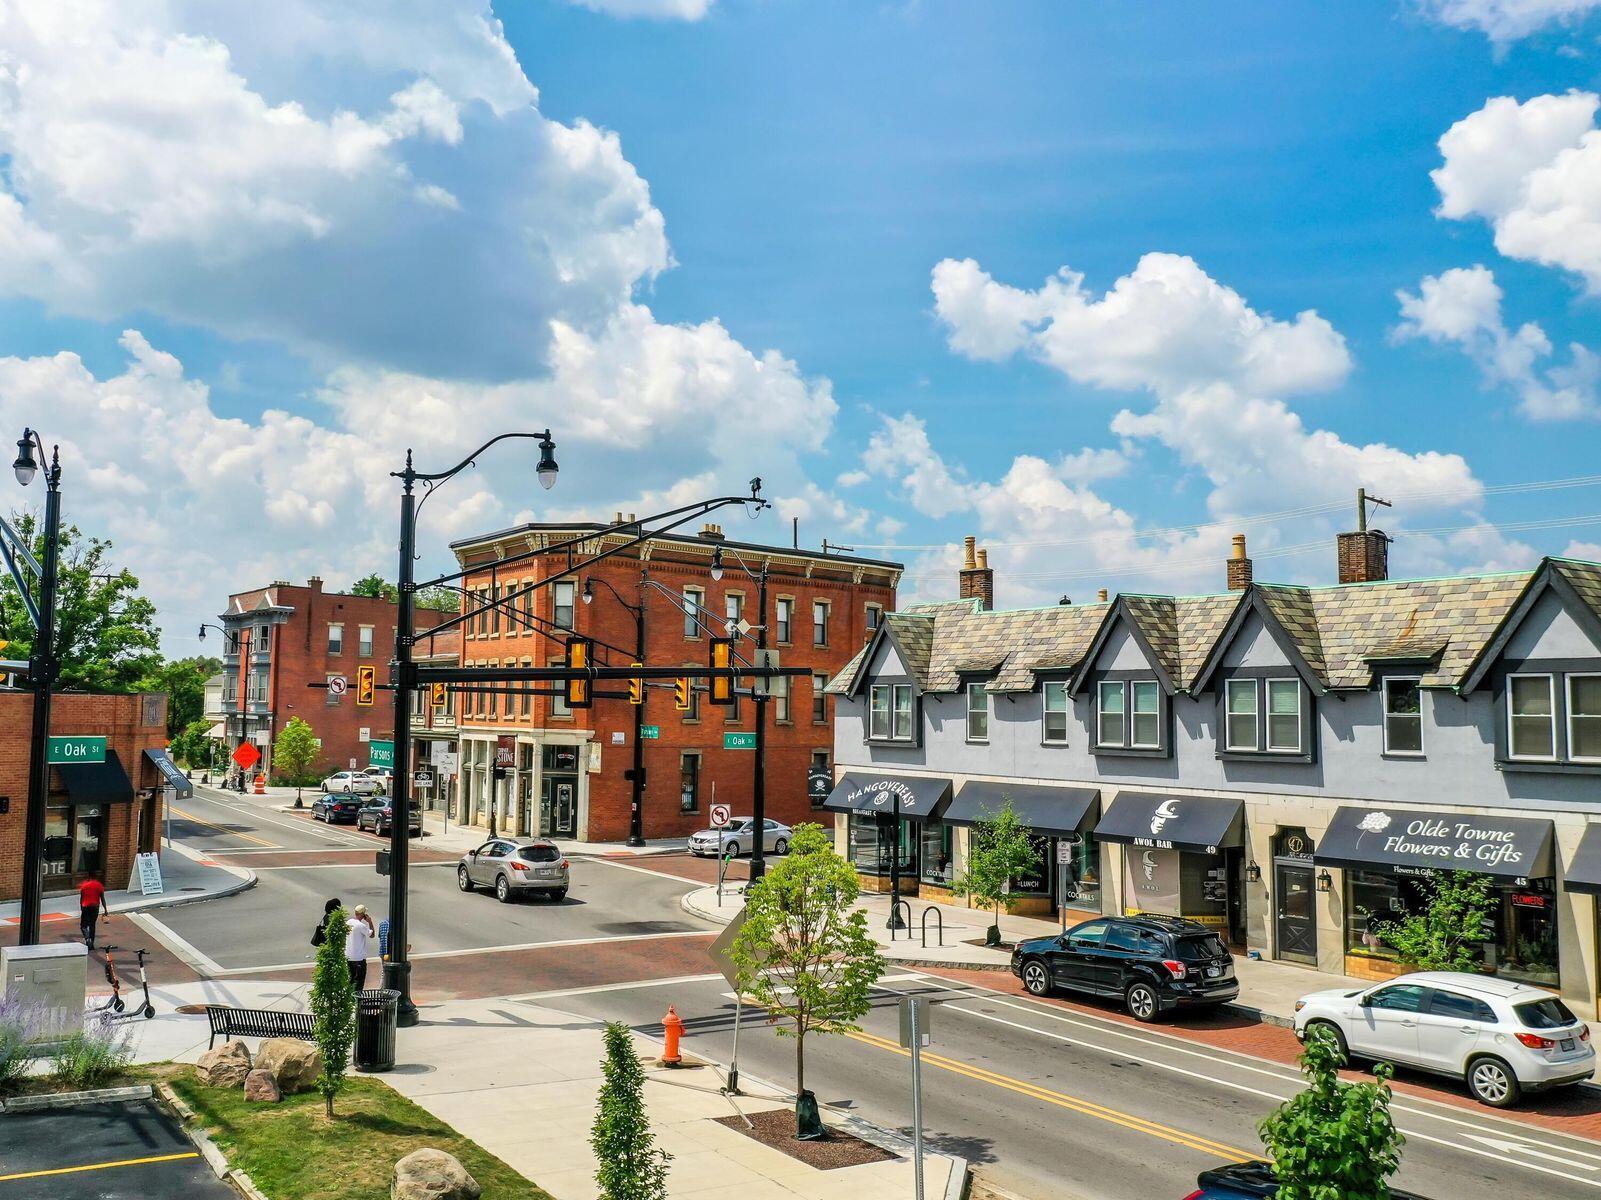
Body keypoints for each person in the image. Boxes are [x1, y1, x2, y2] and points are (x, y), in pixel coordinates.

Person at [345, 903, 376, 991]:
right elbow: (372, 934)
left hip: (348, 956)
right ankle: (357, 1001)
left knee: (351, 979)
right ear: (363, 914)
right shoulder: (361, 926)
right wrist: (369, 921)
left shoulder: (348, 922)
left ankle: (350, 998)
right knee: (359, 981)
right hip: (359, 958)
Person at [78, 874, 109, 951]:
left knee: (83, 926)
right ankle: (91, 944)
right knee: (92, 925)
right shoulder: (99, 885)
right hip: (95, 907)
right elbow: (102, 898)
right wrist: (105, 909)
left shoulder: (84, 885)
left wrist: (81, 908)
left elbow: (81, 898)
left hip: (86, 906)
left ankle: (87, 938)